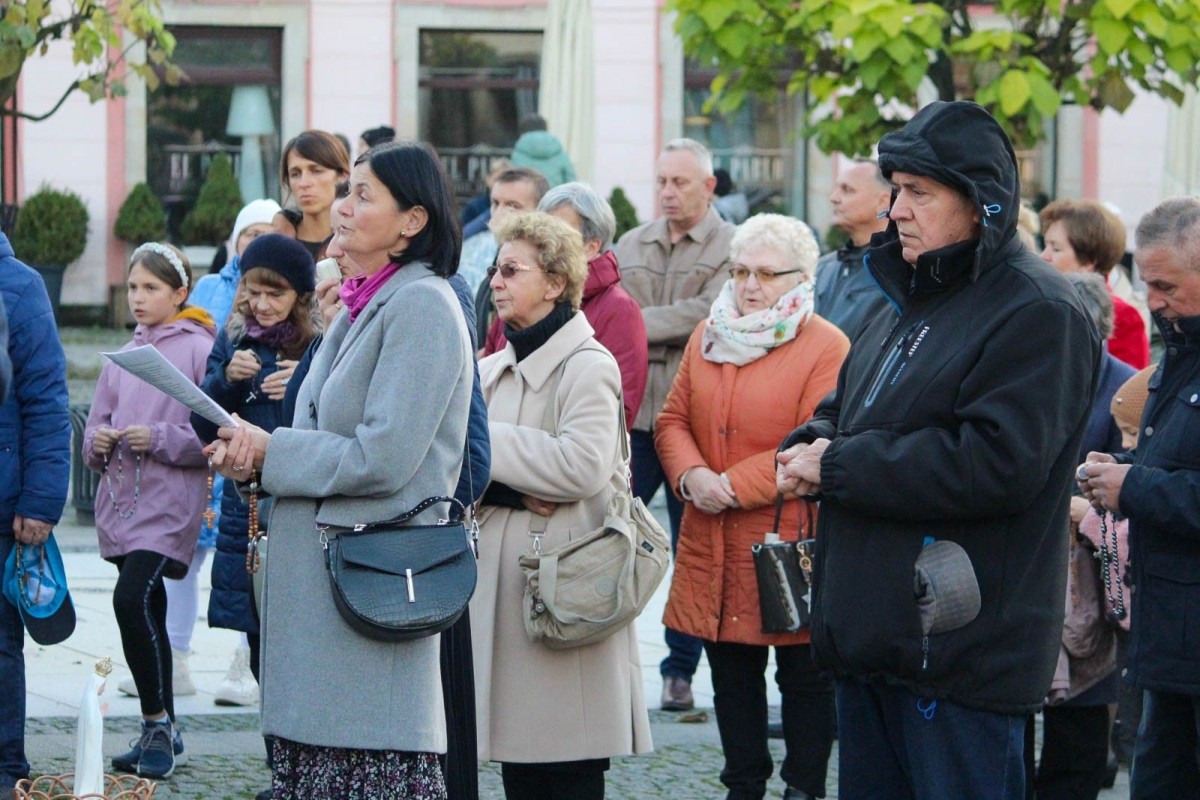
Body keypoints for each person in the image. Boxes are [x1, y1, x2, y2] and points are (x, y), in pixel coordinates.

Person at [776, 100, 1100, 799]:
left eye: (919, 192)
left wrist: (837, 465)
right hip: (874, 644)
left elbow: (995, 465)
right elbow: (850, 408)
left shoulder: (1038, 310)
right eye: (894, 190)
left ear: (981, 203)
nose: (896, 211)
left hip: (959, 660)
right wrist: (813, 442)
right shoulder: (909, 294)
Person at [206, 141, 472, 799]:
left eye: (362, 195)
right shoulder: (360, 304)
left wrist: (274, 455)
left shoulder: (424, 306)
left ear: (411, 221)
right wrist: (254, 461)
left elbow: (382, 457)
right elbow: (320, 435)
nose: (341, 207)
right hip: (324, 608)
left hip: (368, 597)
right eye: (345, 190)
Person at [656, 214, 848, 800]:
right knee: (730, 675)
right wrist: (691, 475)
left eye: (767, 273)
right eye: (740, 270)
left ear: (801, 277)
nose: (750, 284)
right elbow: (672, 419)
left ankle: (804, 788)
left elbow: (816, 440)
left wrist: (731, 485)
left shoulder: (826, 344)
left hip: (788, 536)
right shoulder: (707, 334)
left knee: (804, 677)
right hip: (709, 534)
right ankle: (743, 785)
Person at [472, 211, 652, 799]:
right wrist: (506, 484)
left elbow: (580, 465)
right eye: (496, 269)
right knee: (525, 772)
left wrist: (484, 446)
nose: (495, 281)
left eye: (511, 270)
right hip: (510, 601)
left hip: (564, 599)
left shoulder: (588, 365)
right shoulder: (495, 368)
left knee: (565, 772)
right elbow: (448, 464)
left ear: (554, 283)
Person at [115, 197, 283, 706]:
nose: (252, 244)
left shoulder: (274, 306)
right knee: (190, 564)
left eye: (263, 233)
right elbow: (211, 379)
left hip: (232, 458)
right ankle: (178, 656)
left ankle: (241, 661)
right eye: (245, 234)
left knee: (245, 563)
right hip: (201, 456)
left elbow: (199, 372)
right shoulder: (216, 288)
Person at [1077, 196, 1200, 799]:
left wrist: (1136, 485)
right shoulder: (1182, 351)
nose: (1151, 300)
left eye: (1165, 285)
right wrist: (1120, 468)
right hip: (1170, 639)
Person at [84, 243, 216, 780]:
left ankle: (156, 720)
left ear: (180, 293)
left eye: (151, 288)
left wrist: (158, 436)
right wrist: (100, 441)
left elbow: (213, 431)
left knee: (130, 597)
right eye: (133, 287)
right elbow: (94, 424)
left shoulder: (199, 350)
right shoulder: (122, 355)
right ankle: (162, 730)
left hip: (170, 503)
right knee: (148, 611)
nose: (138, 298)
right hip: (122, 500)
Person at [615, 136, 736, 712]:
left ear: (709, 187)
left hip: (696, 421)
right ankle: (604, 654)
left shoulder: (734, 246)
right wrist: (645, 322)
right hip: (633, 417)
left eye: (680, 181)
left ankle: (680, 671)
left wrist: (638, 322)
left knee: (695, 549)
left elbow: (712, 318)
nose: (667, 191)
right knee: (611, 535)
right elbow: (612, 313)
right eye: (661, 180)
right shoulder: (631, 242)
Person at [191, 233, 318, 685]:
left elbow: (326, 433)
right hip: (246, 508)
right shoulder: (233, 338)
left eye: (275, 293)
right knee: (259, 635)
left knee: (303, 640)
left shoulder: (317, 345)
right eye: (254, 291)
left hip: (301, 504)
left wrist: (301, 385)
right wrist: (226, 381)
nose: (261, 304)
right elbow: (202, 424)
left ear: (300, 296)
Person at [1030, 272, 1134, 800]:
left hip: (1091, 583)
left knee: (1080, 733)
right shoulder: (1023, 377)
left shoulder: (1126, 387)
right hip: (1026, 572)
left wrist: (1085, 508)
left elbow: (1134, 483)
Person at [482, 182, 648, 429]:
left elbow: (615, 417)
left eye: (558, 230)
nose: (543, 237)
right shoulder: (519, 301)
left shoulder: (620, 310)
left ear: (591, 247)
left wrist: (485, 442)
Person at [0, 233, 70, 794]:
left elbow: (45, 397)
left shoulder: (19, 287)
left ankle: (5, 767)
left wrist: (42, 500)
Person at [1040, 199, 1150, 369]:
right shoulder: (1036, 299)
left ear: (1089, 260)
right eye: (1045, 245)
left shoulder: (1123, 317)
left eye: (1056, 249)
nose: (1043, 256)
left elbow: (1125, 388)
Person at [813, 158, 894, 343]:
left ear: (883, 201)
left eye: (847, 190)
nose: (834, 197)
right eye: (836, 188)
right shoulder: (823, 268)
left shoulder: (896, 273)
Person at [461, 167, 549, 300]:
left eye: (512, 205)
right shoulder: (473, 250)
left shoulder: (549, 262)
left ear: (540, 210)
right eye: (495, 203)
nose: (499, 212)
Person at [280, 130, 351, 261]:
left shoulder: (359, 244)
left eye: (316, 171)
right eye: (295, 174)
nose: (304, 183)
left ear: (342, 176)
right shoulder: (278, 242)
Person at [510, 114, 576, 187]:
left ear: (522, 131)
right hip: (555, 196)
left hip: (526, 197)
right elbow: (571, 180)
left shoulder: (518, 152)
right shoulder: (558, 150)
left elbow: (512, 179)